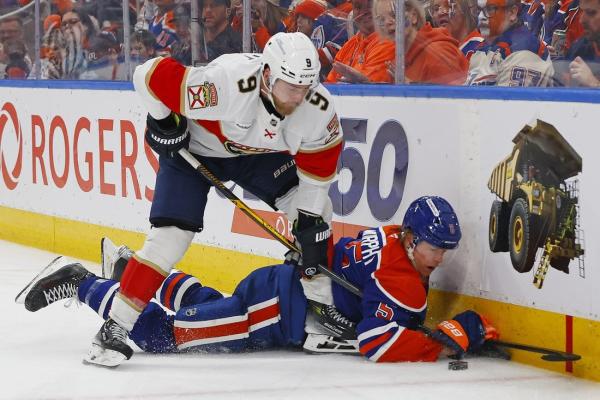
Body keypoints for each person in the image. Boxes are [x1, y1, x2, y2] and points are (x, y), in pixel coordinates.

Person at [77, 31, 343, 367]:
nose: (299, 97)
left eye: (306, 87)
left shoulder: (318, 107)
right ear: (267, 75)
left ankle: (318, 310)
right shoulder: (226, 84)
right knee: (169, 239)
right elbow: (146, 75)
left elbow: (317, 176)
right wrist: (164, 122)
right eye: (291, 87)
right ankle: (115, 326)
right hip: (196, 151)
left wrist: (308, 222)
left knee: (316, 220)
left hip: (260, 157)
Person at [18, 195, 499, 364]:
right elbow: (377, 342)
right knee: (166, 335)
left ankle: (131, 273)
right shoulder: (403, 278)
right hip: (268, 315)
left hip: (273, 289)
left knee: (208, 303)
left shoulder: (390, 236)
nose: (439, 257)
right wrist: (444, 343)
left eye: (446, 249)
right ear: (411, 239)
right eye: (433, 247)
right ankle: (81, 283)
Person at [371, 0, 468, 84]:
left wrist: (411, 87)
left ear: (413, 17)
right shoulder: (399, 60)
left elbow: (453, 97)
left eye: (394, 15)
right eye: (381, 19)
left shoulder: (437, 52)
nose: (387, 22)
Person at [466, 0, 555, 86]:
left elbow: (508, 96)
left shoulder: (523, 50)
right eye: (478, 10)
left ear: (512, 13)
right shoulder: (484, 45)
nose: (481, 17)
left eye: (490, 9)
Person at [325, 0, 395, 83]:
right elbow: (329, 84)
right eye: (358, 7)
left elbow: (368, 89)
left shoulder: (387, 42)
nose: (364, 12)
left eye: (371, 5)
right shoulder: (351, 43)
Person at [562, 0, 600, 86]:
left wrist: (594, 83)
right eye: (582, 11)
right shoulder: (578, 48)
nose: (581, 20)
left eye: (591, 13)